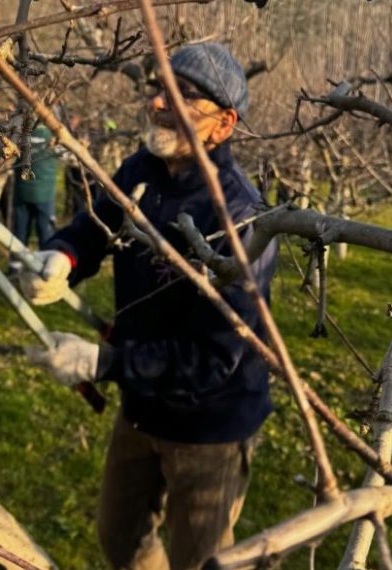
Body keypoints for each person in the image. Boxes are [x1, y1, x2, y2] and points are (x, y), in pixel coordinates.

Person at [22, 43, 278, 570]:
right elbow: (96, 224)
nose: (159, 102)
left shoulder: (240, 218)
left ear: (224, 124)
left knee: (201, 560)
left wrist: (105, 363)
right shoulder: (142, 169)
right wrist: (63, 257)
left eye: (183, 96)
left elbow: (214, 357)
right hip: (142, 406)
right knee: (120, 539)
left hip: (210, 424)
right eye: (160, 88)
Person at [7, 121, 60, 275]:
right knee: (45, 232)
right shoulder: (55, 135)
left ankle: (15, 268)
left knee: (20, 231)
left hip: (22, 191)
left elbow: (8, 156)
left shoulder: (20, 134)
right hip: (45, 193)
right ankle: (45, 269)